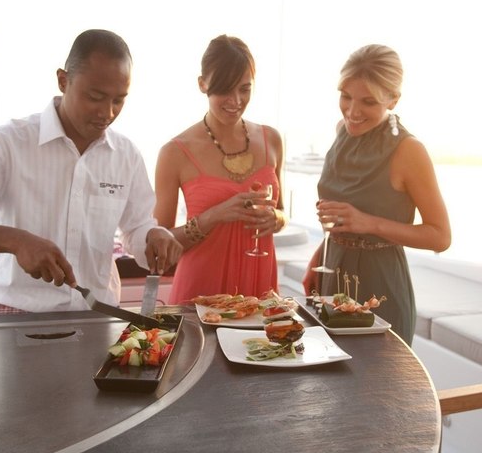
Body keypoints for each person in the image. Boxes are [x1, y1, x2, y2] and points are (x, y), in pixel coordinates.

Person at [0, 29, 182, 313]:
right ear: (63, 81)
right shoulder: (7, 143)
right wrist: (15, 241)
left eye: (119, 100)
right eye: (95, 96)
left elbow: (137, 227)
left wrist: (154, 236)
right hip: (19, 321)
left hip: (101, 320)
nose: (108, 112)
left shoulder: (126, 154)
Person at [301, 44, 451, 345]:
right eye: (346, 97)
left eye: (368, 101)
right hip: (332, 274)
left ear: (393, 99)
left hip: (379, 287)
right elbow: (340, 218)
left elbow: (440, 237)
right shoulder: (342, 131)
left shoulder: (409, 151)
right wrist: (318, 257)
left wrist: (368, 223)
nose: (352, 112)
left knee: (375, 389)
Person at [154, 35, 286, 304]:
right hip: (201, 291)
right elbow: (159, 247)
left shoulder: (271, 139)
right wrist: (213, 216)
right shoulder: (175, 153)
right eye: (225, 89)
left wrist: (276, 219)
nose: (236, 100)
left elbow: (281, 212)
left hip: (259, 289)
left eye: (245, 89)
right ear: (202, 83)